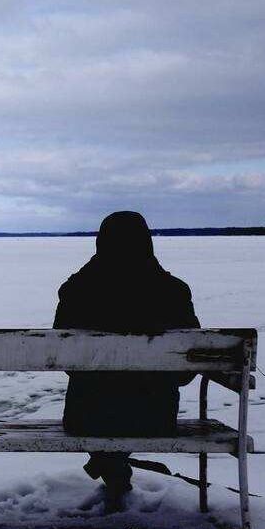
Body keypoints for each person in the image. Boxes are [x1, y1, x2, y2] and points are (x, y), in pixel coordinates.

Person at [53, 210, 200, 507]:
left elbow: (66, 359)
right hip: (154, 417)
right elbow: (187, 370)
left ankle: (111, 468)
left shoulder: (76, 289)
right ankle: (113, 468)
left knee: (102, 404)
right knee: (126, 406)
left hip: (86, 417)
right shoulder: (173, 291)